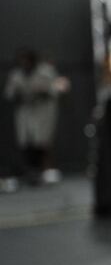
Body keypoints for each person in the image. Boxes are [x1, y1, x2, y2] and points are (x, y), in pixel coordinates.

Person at [4, 49, 67, 184]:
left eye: (27, 60)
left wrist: (45, 90)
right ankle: (31, 172)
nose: (25, 64)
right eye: (22, 61)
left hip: (43, 111)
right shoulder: (16, 75)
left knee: (43, 142)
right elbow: (9, 94)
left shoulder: (46, 71)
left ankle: (45, 170)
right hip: (25, 112)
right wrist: (18, 94)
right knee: (27, 143)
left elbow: (60, 87)